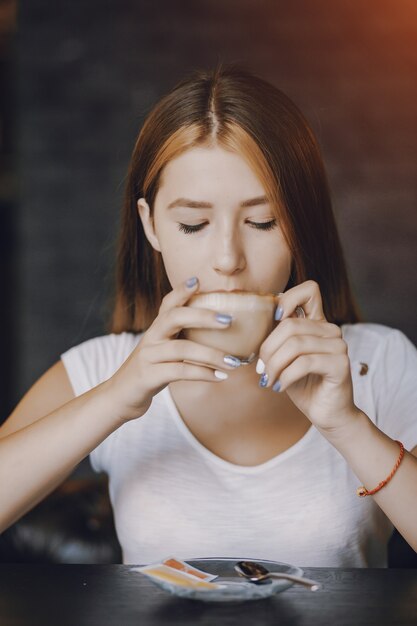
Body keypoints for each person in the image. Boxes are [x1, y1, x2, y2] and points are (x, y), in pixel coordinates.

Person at [1, 65, 416, 568]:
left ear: (300, 224)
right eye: (193, 224)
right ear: (151, 226)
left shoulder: (380, 360)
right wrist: (116, 398)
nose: (227, 258)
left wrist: (347, 425)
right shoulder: (103, 369)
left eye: (262, 221)